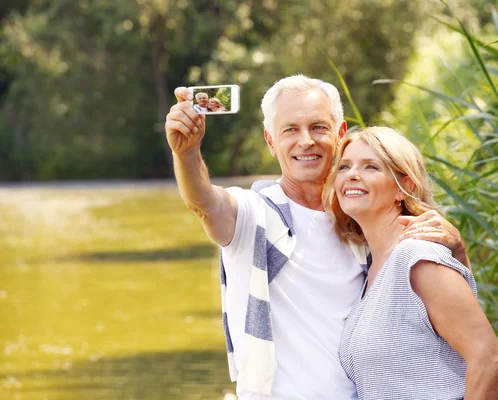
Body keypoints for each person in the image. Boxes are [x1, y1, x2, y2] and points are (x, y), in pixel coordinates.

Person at [164, 75, 471, 399]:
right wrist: (187, 153)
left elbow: (448, 318)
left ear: (339, 135)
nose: (306, 140)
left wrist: (457, 252)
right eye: (290, 130)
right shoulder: (253, 214)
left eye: (318, 127)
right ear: (271, 141)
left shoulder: (364, 217)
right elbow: (204, 203)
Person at [322, 127, 498, 399]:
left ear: (404, 187)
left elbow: (488, 357)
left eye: (370, 166)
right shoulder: (371, 268)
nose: (352, 175)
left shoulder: (417, 257)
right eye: (345, 166)